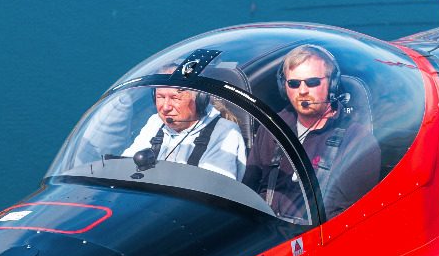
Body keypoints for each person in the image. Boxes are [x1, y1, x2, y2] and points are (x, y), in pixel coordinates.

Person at [244, 43, 381, 221]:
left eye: (312, 82)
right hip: (265, 234)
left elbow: (352, 222)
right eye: (293, 84)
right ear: (283, 87)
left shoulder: (357, 142)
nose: (302, 91)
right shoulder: (272, 128)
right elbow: (248, 190)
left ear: (332, 84)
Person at [123, 81, 246, 181]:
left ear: (199, 100)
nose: (165, 107)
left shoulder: (225, 132)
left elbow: (214, 188)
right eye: (160, 97)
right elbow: (124, 165)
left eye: (175, 98)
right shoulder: (155, 122)